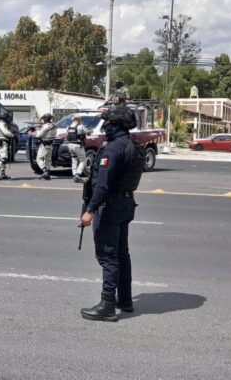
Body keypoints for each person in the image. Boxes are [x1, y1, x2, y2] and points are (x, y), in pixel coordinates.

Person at [79, 104, 144, 322]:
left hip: (111, 206)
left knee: (108, 256)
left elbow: (103, 185)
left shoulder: (113, 148)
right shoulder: (133, 146)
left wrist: (90, 210)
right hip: (126, 204)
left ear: (116, 124)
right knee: (122, 254)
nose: (105, 126)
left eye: (108, 122)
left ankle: (107, 304)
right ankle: (124, 300)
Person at [30, 113, 56, 180]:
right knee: (48, 159)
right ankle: (47, 173)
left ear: (46, 119)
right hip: (50, 144)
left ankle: (44, 171)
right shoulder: (54, 125)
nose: (43, 120)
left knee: (39, 159)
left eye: (44, 119)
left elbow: (38, 135)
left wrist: (37, 129)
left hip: (44, 145)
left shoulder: (45, 126)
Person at [0, 113, 15, 180]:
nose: (8, 119)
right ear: (4, 118)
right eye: (7, 117)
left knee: (4, 159)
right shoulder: (2, 124)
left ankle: (2, 174)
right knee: (4, 159)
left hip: (1, 142)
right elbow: (6, 132)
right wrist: (12, 135)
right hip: (3, 142)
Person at [67, 115, 88, 183]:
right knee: (83, 160)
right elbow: (87, 132)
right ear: (78, 119)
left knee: (74, 160)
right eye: (80, 119)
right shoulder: (80, 126)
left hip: (70, 145)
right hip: (78, 145)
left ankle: (74, 174)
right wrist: (91, 131)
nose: (80, 120)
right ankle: (78, 174)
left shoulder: (69, 126)